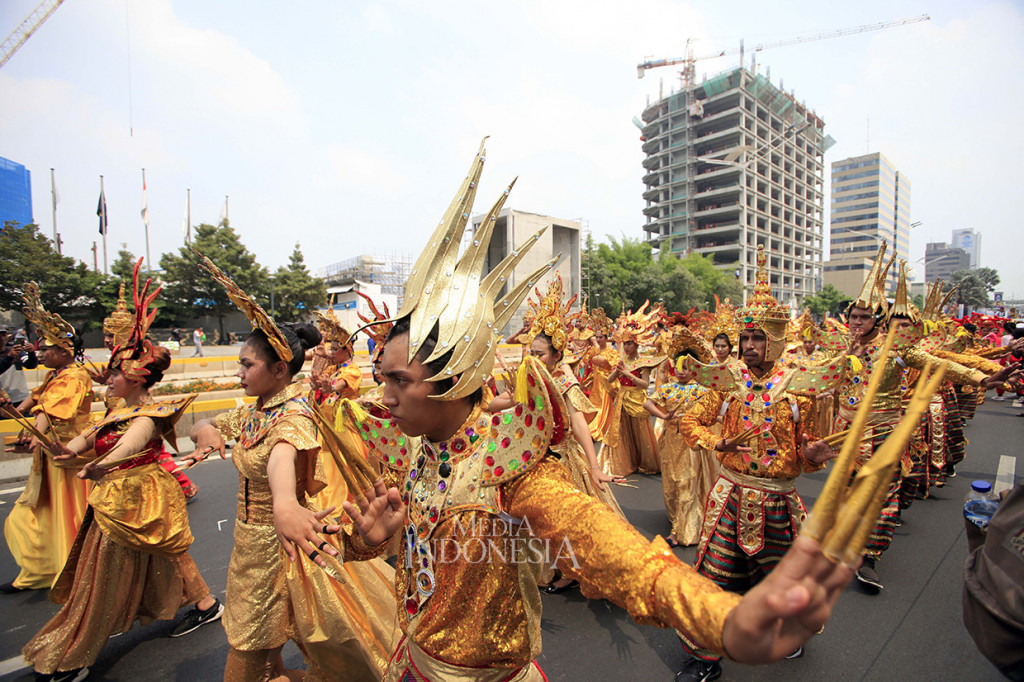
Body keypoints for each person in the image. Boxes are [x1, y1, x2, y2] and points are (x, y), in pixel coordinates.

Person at [332, 142, 855, 681]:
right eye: (382, 380)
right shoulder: (415, 451)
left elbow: (602, 547)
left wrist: (718, 615)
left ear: (454, 379)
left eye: (399, 381)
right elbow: (421, 557)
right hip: (409, 667)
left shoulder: (507, 465)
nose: (384, 396)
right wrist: (373, 541)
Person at [183, 252, 396, 681]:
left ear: (279, 370)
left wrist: (284, 504)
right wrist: (203, 426)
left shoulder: (290, 417)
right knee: (266, 655)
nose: (239, 372)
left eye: (247, 365)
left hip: (283, 543)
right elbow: (210, 423)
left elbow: (283, 453)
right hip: (249, 545)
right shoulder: (255, 410)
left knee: (252, 660)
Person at [21, 270, 221, 681]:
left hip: (138, 497)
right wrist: (65, 451)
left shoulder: (148, 413)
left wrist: (99, 465)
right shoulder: (116, 410)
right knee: (164, 554)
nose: (106, 380)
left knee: (102, 577)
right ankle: (204, 604)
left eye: (113, 374)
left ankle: (78, 652)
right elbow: (88, 438)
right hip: (115, 495)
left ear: (135, 378)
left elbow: (132, 444)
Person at [674, 245, 840, 680]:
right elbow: (690, 420)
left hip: (779, 501)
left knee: (781, 578)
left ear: (777, 341)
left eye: (757, 338)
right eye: (745, 338)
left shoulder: (800, 388)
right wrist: (719, 442)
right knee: (712, 575)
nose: (748, 346)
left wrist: (813, 455)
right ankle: (705, 656)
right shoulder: (726, 379)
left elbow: (805, 450)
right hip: (730, 494)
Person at [830, 245, 1019, 591]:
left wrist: (981, 377)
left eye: (864, 317)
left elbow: (941, 363)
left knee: (883, 494)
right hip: (844, 433)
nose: (857, 322)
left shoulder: (897, 348)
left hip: (884, 430)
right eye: (853, 316)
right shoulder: (838, 345)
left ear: (879, 319)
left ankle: (868, 556)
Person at [2, 284, 93, 593]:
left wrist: (35, 433)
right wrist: (11, 411)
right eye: (39, 348)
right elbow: (33, 403)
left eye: (44, 349)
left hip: (68, 455)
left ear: (63, 351)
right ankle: (44, 568)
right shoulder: (55, 375)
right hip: (49, 455)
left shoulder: (75, 376)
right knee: (39, 515)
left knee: (70, 516)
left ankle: (79, 568)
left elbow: (50, 411)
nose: (38, 353)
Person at [598, 302, 664, 476]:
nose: (626, 347)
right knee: (621, 431)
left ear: (636, 344)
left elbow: (644, 384)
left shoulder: (643, 362)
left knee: (640, 432)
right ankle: (626, 460)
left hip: (637, 399)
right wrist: (617, 372)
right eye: (624, 343)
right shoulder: (623, 361)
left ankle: (645, 460)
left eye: (629, 344)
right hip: (622, 399)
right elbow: (612, 379)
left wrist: (628, 374)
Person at [0, 324, 38, 405]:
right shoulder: (11, 353)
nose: (2, 338)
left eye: (4, 335)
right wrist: (9, 357)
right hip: (2, 400)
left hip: (20, 396)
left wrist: (31, 353)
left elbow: (30, 365)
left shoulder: (15, 350)